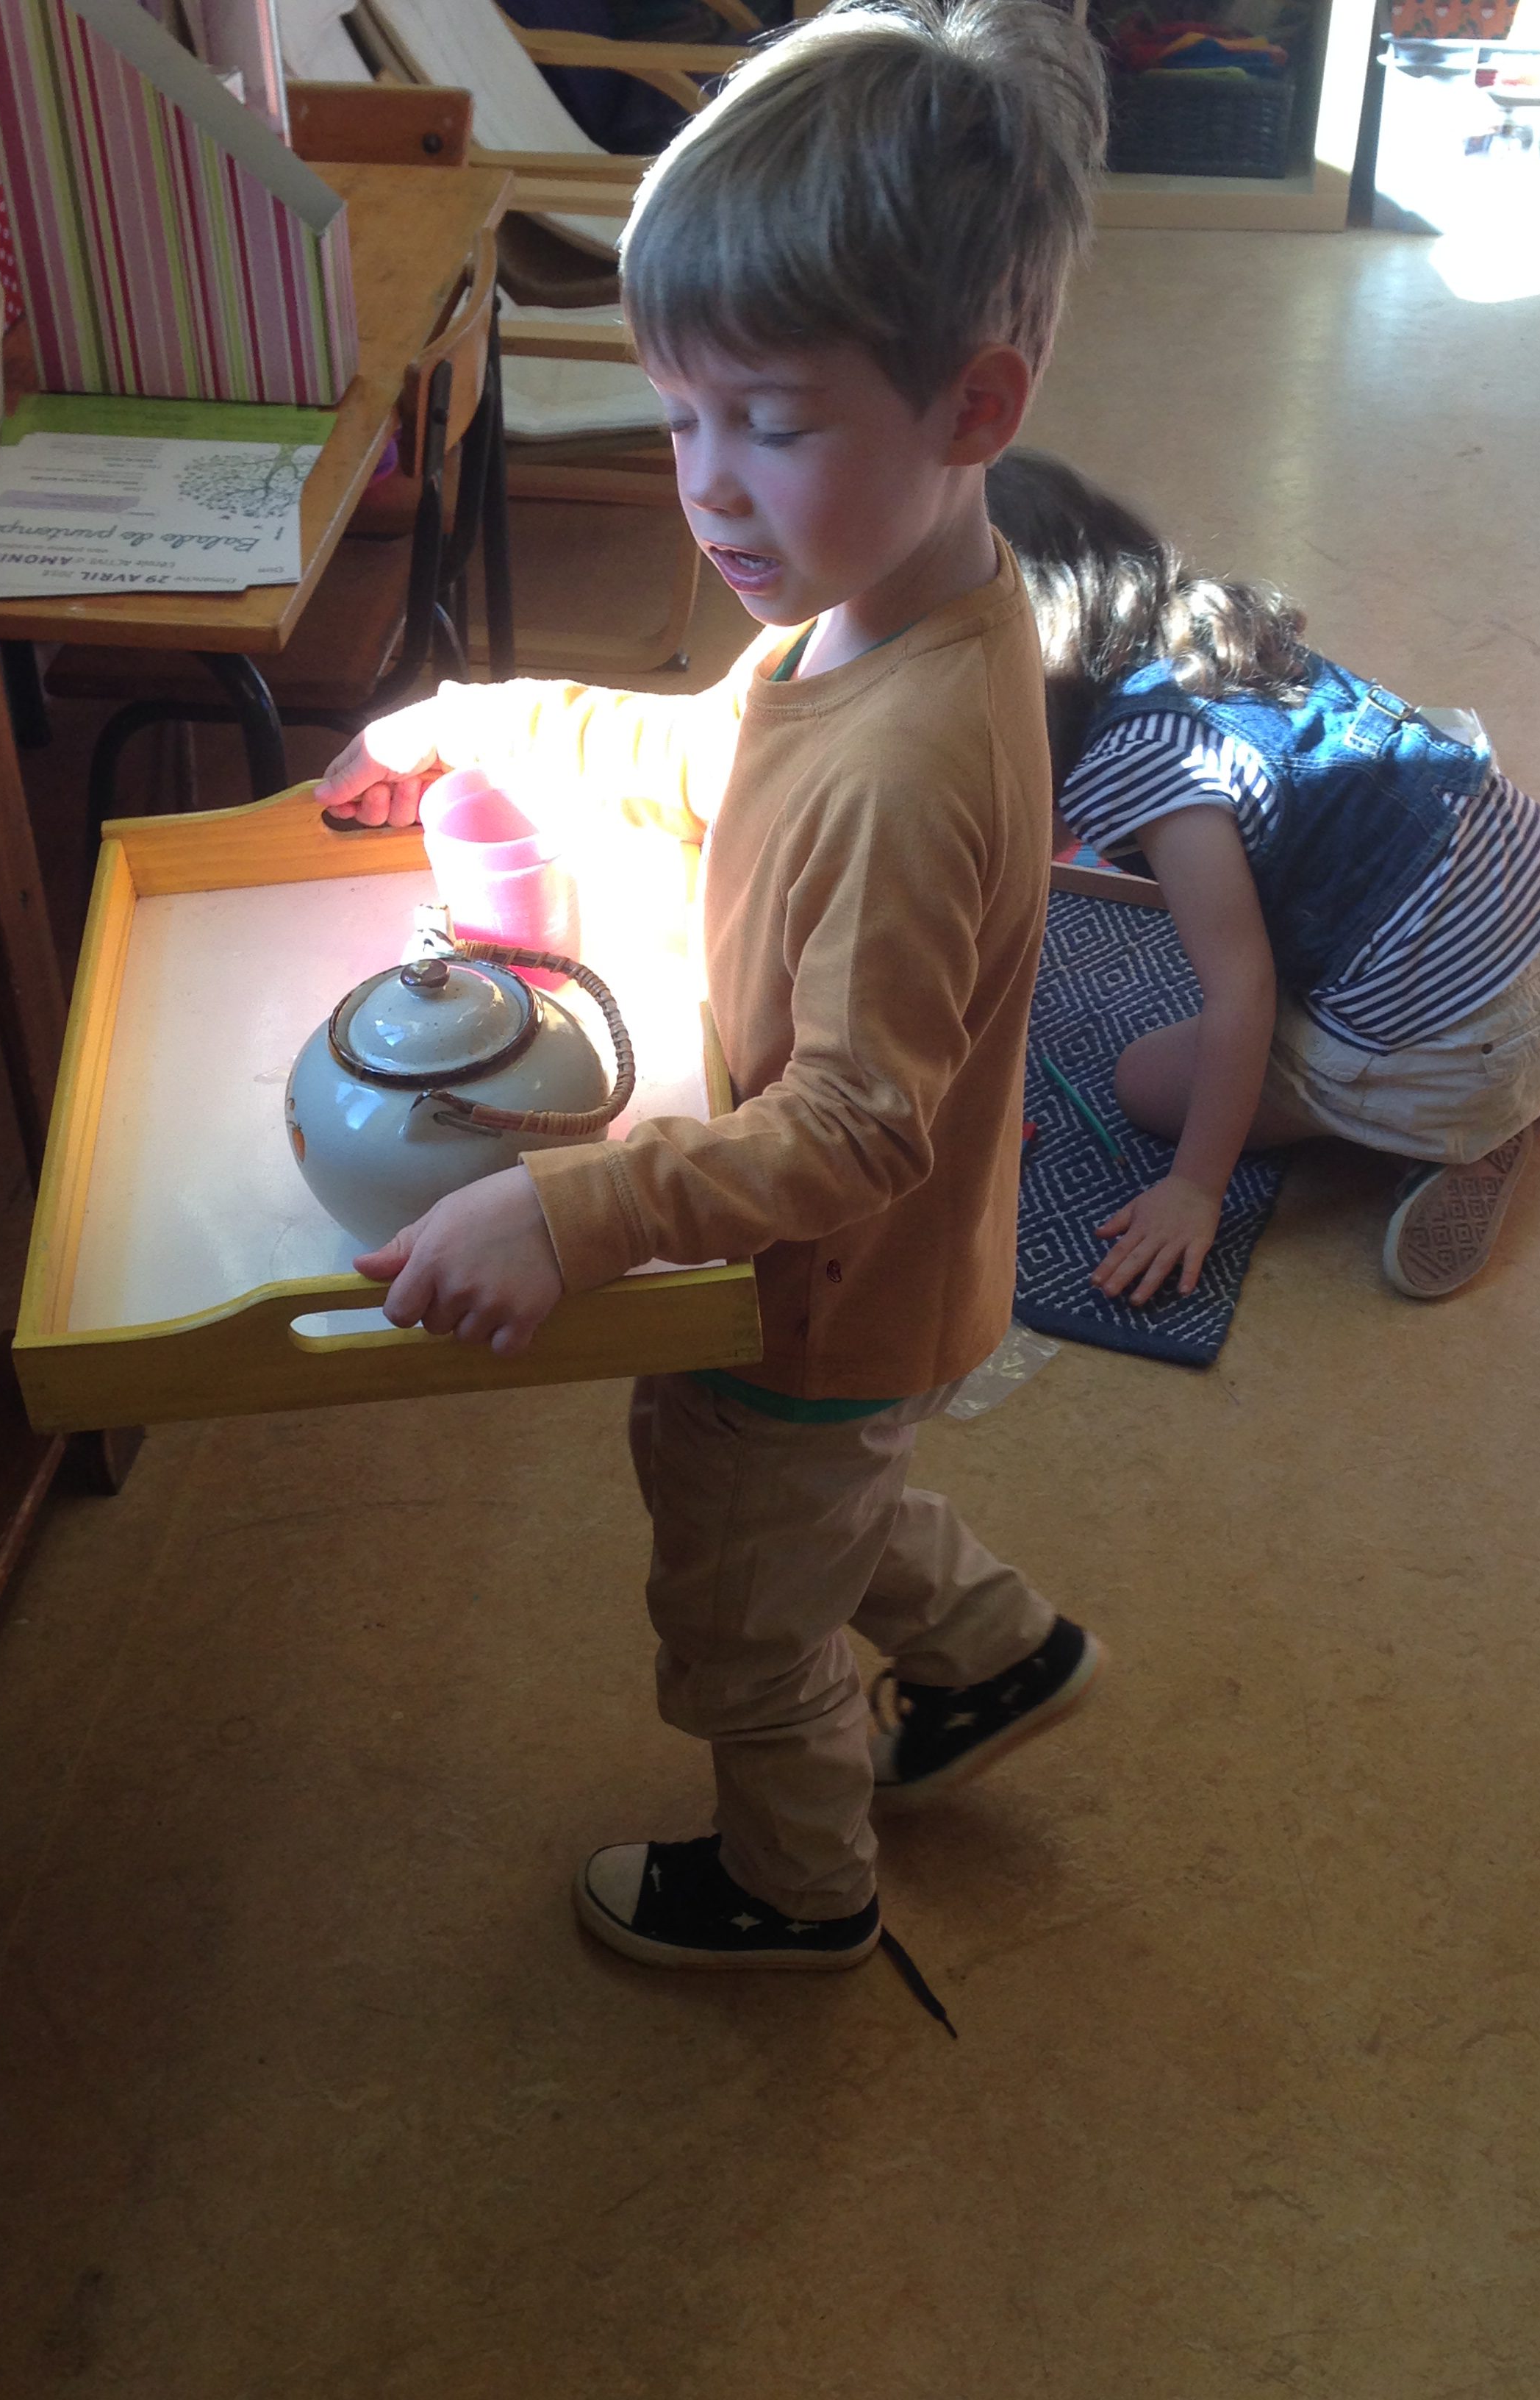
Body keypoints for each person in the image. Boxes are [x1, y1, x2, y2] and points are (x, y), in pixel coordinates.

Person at [312, 0, 1109, 1975]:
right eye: (679, 418)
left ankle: (796, 1886)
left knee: (744, 1603)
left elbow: (853, 1130)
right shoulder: (882, 610)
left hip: (814, 1291)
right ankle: (998, 1654)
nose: (707, 488)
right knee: (824, 1497)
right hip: (858, 1291)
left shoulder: (913, 759)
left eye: (768, 420)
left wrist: (566, 1210)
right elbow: (710, 757)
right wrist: (484, 713)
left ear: (972, 408)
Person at [985, 449, 1540, 1306]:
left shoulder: (1134, 762)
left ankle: (1455, 1129)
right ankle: (1502, 1085)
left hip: (1464, 1042)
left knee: (1147, 1083)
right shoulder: (1201, 631)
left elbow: (1244, 990)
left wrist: (1194, 1189)